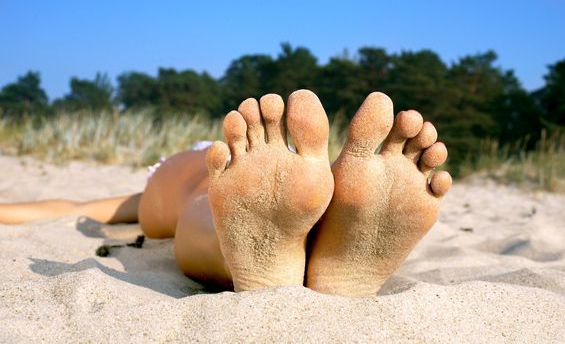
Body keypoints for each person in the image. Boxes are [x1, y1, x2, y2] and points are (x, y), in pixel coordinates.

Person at [0, 90, 451, 297]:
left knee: (200, 199)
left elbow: (71, 208)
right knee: (208, 189)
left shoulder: (196, 165)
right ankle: (320, 248)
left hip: (201, 171)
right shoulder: (235, 157)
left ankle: (232, 247)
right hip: (232, 167)